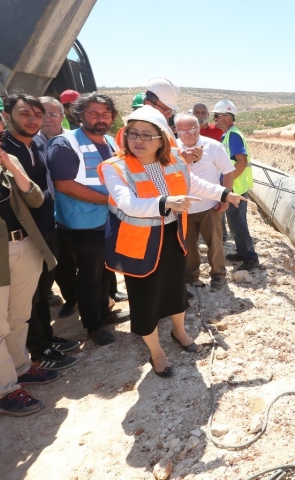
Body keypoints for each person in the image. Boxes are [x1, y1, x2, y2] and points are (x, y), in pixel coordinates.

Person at [99, 106, 245, 377]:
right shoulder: (115, 167)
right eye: (133, 134)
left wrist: (225, 193)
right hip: (141, 241)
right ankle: (156, 351)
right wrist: (166, 202)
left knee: (175, 287)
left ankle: (179, 331)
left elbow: (194, 185)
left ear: (162, 138)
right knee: (145, 296)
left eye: (146, 135)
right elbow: (128, 204)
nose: (138, 140)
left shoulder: (174, 159)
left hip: (171, 235)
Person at [2, 95, 78, 370]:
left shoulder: (38, 142)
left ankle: (47, 337)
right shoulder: (4, 148)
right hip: (22, 236)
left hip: (47, 227)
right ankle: (38, 348)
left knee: (42, 290)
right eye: (25, 114)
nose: (33, 119)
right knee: (27, 296)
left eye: (38, 114)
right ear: (8, 115)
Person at [47, 93, 128, 345]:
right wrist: (110, 201)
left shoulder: (112, 143)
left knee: (105, 271)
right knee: (90, 275)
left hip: (109, 220)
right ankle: (93, 326)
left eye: (106, 114)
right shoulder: (64, 143)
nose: (100, 119)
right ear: (79, 114)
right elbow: (65, 185)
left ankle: (104, 312)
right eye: (94, 113)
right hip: (82, 223)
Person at [0, 108, 60, 416]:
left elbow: (36, 198)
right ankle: (3, 391)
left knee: (18, 317)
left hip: (23, 245)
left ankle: (20, 368)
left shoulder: (8, 161)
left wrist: (11, 167)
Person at [174, 114, 235, 289]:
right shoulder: (172, 150)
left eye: (191, 129)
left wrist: (225, 198)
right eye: (182, 130)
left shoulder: (213, 147)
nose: (187, 133)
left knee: (214, 242)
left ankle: (218, 274)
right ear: (176, 131)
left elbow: (228, 171)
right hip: (184, 207)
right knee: (188, 244)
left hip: (210, 205)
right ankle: (191, 275)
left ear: (198, 128)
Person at [38, 97, 79, 318]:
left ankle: (107, 295)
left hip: (77, 210)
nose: (48, 118)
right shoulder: (31, 142)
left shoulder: (75, 139)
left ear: (62, 117)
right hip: (48, 213)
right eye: (42, 113)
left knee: (89, 256)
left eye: (53, 114)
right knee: (61, 261)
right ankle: (72, 298)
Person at [212, 99, 259, 271]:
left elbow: (241, 161)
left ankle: (250, 258)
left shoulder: (233, 136)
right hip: (236, 187)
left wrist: (228, 186)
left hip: (235, 188)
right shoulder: (229, 135)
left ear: (227, 117)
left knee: (238, 223)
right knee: (235, 222)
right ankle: (242, 252)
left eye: (217, 115)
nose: (215, 119)